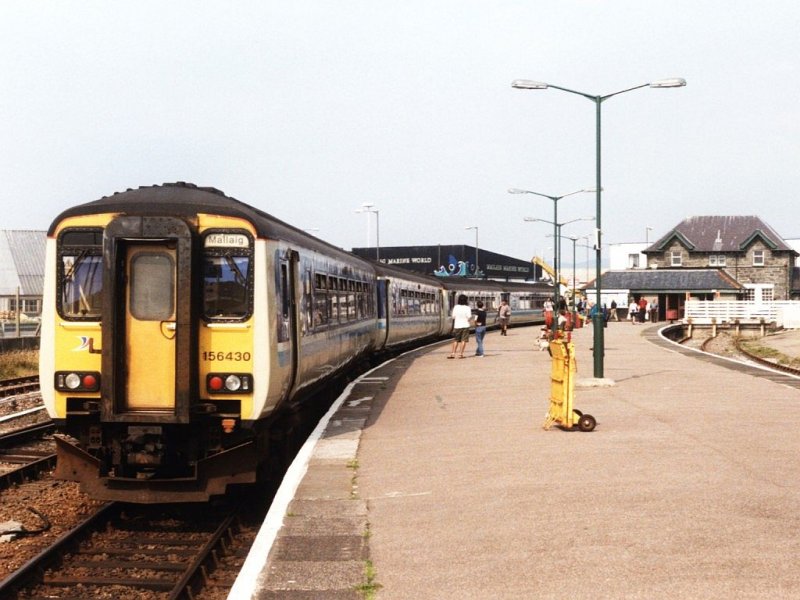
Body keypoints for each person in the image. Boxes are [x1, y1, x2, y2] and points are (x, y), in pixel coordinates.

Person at [448, 294, 472, 358]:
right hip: (465, 325)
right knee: (463, 340)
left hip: (457, 326)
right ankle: (460, 354)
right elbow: (469, 317)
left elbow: (453, 317)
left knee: (456, 340)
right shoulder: (467, 308)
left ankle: (453, 354)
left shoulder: (456, 307)